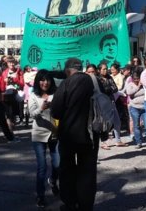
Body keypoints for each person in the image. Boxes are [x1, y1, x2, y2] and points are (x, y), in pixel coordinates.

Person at [51, 57, 98, 211]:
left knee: (67, 169)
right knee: (88, 171)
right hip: (90, 134)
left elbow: (56, 112)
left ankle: (70, 202)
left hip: (68, 135)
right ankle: (86, 205)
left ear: (67, 70)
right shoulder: (94, 81)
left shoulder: (65, 84)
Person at [28, 70, 59, 208]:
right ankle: (40, 196)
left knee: (57, 164)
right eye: (42, 80)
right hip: (39, 134)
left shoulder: (55, 94)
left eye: (47, 80)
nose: (45, 82)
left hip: (54, 134)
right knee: (42, 167)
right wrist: (41, 108)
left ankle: (53, 180)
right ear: (38, 81)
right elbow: (32, 115)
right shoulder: (33, 95)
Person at [96, 62, 125, 149]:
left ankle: (118, 140)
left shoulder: (109, 77)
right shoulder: (98, 79)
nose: (106, 70)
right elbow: (102, 91)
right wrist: (108, 88)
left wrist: (108, 88)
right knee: (105, 123)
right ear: (99, 70)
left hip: (111, 101)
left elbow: (115, 89)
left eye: (106, 69)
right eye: (103, 69)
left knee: (117, 122)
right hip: (103, 104)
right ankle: (104, 142)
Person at [125, 67, 146, 149]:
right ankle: (138, 142)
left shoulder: (144, 85)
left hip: (144, 106)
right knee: (136, 125)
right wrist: (137, 87)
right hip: (134, 107)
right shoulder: (130, 85)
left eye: (137, 79)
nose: (136, 80)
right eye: (134, 79)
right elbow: (129, 93)